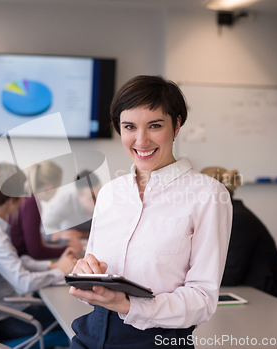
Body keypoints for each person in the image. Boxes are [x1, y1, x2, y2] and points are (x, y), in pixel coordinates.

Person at [68, 75, 233, 349]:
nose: (141, 140)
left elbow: (202, 299)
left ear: (177, 125)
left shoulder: (208, 195)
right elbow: (95, 274)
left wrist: (130, 305)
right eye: (129, 126)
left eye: (155, 125)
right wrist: (86, 276)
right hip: (91, 333)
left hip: (157, 340)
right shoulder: (110, 192)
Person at [0, 163, 77, 341]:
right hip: (8, 318)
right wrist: (60, 272)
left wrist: (52, 265)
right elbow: (22, 282)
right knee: (74, 317)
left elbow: (16, 262)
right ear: (11, 200)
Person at [201, 166, 277, 297]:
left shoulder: (237, 219)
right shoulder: (228, 213)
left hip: (261, 292)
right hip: (246, 284)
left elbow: (230, 275)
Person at [9, 161, 82, 260]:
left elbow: (31, 239)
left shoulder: (25, 199)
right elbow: (36, 252)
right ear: (49, 188)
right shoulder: (31, 203)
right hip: (23, 261)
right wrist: (69, 249)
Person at [41, 170, 101, 245]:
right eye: (92, 197)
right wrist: (60, 234)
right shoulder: (66, 202)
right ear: (79, 198)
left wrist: (83, 234)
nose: (99, 201)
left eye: (101, 195)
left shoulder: (110, 200)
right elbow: (43, 228)